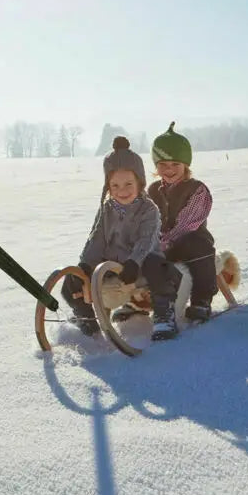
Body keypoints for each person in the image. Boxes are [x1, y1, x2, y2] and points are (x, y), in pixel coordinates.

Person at [61, 136, 180, 341]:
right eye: (115, 186)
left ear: (139, 182)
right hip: (110, 267)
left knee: (157, 266)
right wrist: (86, 265)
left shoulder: (148, 209)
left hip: (141, 266)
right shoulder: (107, 209)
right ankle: (87, 318)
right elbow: (96, 238)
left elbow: (146, 240)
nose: (121, 191)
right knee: (71, 279)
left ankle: (164, 314)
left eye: (128, 184)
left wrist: (134, 261)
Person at [148, 122, 217, 322]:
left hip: (190, 243)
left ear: (185, 165)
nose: (169, 170)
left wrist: (165, 241)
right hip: (162, 245)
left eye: (175, 164)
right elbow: (147, 218)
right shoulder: (152, 191)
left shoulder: (197, 190)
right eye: (163, 165)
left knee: (199, 248)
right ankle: (136, 301)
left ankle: (201, 300)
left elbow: (188, 223)